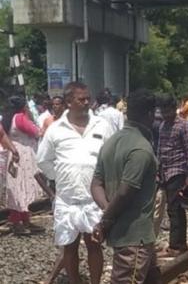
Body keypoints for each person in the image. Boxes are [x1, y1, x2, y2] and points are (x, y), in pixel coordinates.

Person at [37, 82, 113, 284]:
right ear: (69, 102)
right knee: (69, 247)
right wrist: (60, 176)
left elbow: (112, 156)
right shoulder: (55, 129)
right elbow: (43, 160)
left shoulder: (102, 126)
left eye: (88, 98)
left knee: (94, 245)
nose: (86, 102)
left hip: (93, 200)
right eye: (81, 99)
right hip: (67, 200)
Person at [91, 89, 160, 284]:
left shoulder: (111, 142)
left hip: (126, 234)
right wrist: (106, 220)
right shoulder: (141, 148)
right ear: (149, 114)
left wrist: (107, 209)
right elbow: (124, 192)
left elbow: (96, 184)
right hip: (135, 236)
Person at [155, 94, 188, 257]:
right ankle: (181, 244)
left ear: (174, 109)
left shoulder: (183, 126)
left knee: (175, 209)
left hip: (178, 171)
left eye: (168, 110)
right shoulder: (163, 125)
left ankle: (175, 246)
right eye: (163, 110)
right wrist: (158, 171)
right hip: (166, 172)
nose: (166, 113)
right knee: (175, 210)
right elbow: (160, 149)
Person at [2, 96, 45, 235]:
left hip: (13, 153)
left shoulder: (7, 119)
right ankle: (18, 220)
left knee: (16, 187)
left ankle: (22, 218)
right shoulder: (20, 118)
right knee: (23, 187)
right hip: (23, 155)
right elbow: (36, 132)